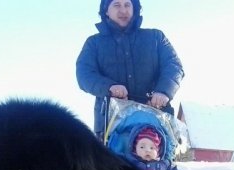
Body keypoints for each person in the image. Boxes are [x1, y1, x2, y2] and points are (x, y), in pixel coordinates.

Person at [76, 0, 184, 138]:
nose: (123, 10)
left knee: (157, 159)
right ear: (106, 10)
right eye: (117, 5)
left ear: (135, 9)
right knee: (112, 159)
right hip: (112, 126)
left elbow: (174, 66)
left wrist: (163, 92)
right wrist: (109, 87)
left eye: (127, 5)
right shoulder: (93, 43)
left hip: (155, 124)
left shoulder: (156, 37)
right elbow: (84, 74)